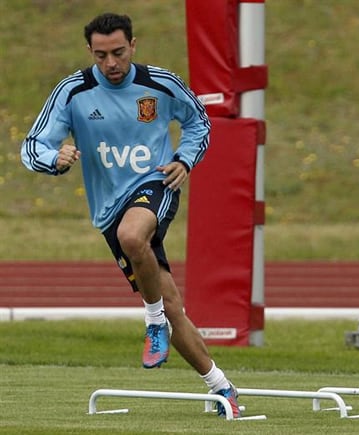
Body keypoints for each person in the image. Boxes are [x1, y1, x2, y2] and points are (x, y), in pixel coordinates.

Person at [20, 12, 240, 418]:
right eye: (101, 55)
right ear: (90, 52)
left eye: (118, 53)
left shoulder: (160, 84)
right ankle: (222, 387)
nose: (111, 63)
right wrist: (56, 157)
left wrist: (185, 159)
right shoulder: (73, 92)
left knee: (134, 236)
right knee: (173, 305)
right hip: (108, 209)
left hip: (155, 185)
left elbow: (199, 122)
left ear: (133, 46)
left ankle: (151, 321)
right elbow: (33, 145)